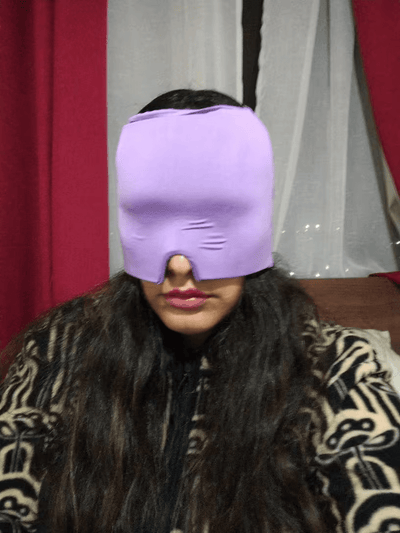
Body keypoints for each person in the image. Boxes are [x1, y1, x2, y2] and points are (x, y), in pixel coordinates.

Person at [0, 89, 400, 533]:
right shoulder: (60, 351)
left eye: (215, 221)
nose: (179, 265)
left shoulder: (331, 364)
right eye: (152, 220)